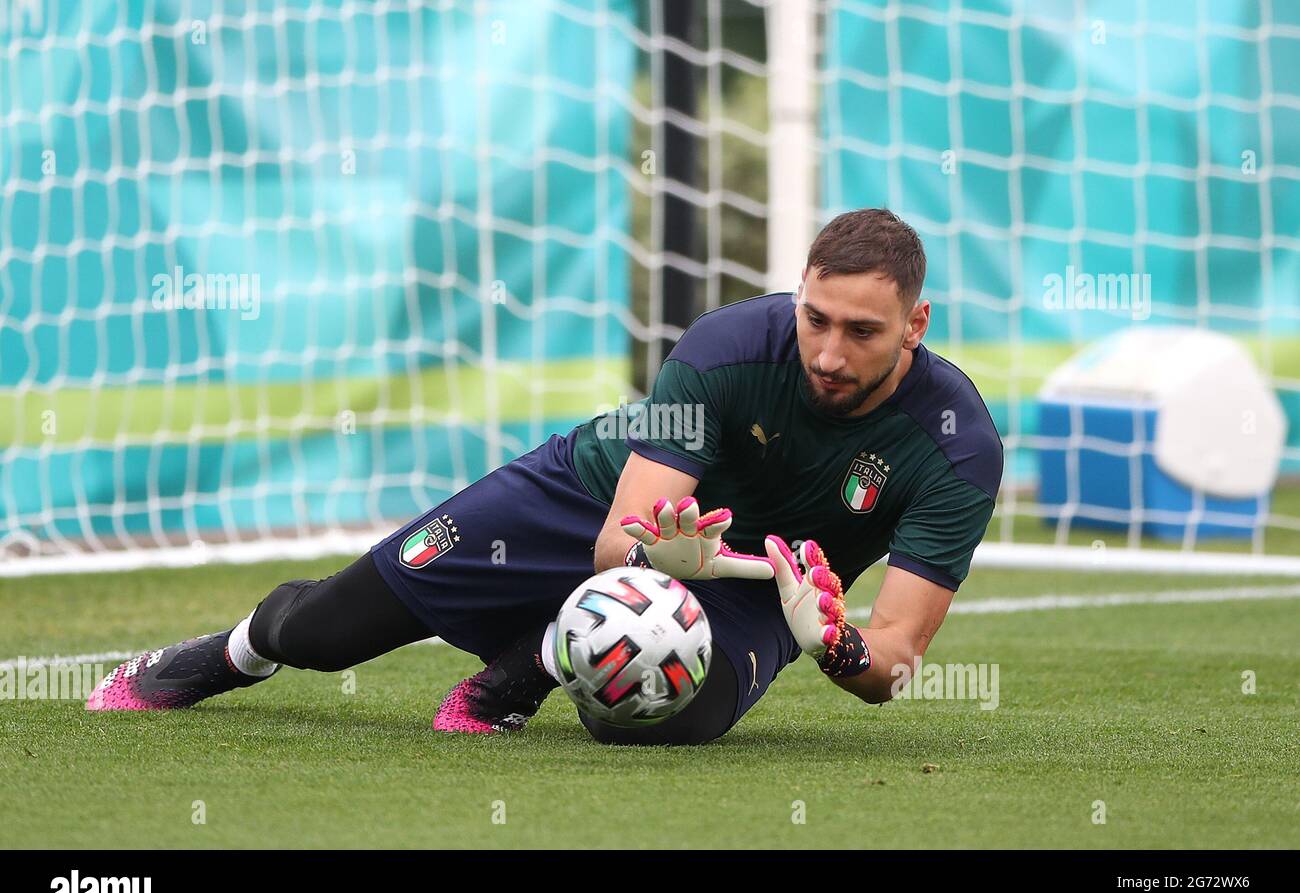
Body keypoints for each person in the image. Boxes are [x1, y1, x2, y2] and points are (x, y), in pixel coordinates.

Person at [86, 208, 1004, 746]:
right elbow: (618, 540)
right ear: (796, 297)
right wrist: (662, 555)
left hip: (756, 598)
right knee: (325, 635)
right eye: (815, 319)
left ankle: (524, 668)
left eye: (863, 332)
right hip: (585, 494)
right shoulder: (726, 349)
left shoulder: (956, 446)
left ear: (916, 324)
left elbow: (893, 664)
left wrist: (831, 641)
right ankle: (227, 651)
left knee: (660, 720)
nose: (830, 352)